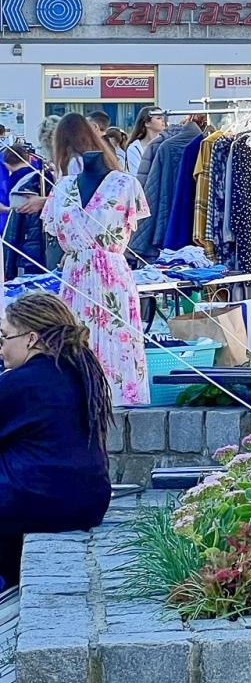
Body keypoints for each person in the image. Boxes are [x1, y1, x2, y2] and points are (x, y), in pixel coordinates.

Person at [0, 292, 114, 589]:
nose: (1, 350)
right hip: (89, 502)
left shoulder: (19, 383)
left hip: (36, 501)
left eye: (4, 338)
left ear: (31, 338)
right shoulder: (82, 373)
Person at [35, 115, 151, 405]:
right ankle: (79, 401)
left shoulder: (126, 184)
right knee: (76, 339)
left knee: (118, 340)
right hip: (74, 275)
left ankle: (124, 402)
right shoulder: (61, 188)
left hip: (113, 274)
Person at [0, 145, 46, 281]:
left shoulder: (18, 182)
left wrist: (5, 209)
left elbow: (22, 210)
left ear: (6, 164)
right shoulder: (42, 175)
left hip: (25, 241)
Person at [124, 107, 165, 178]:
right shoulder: (134, 148)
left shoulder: (166, 144)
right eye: (159, 118)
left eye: (163, 118)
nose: (163, 121)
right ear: (147, 123)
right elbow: (136, 175)